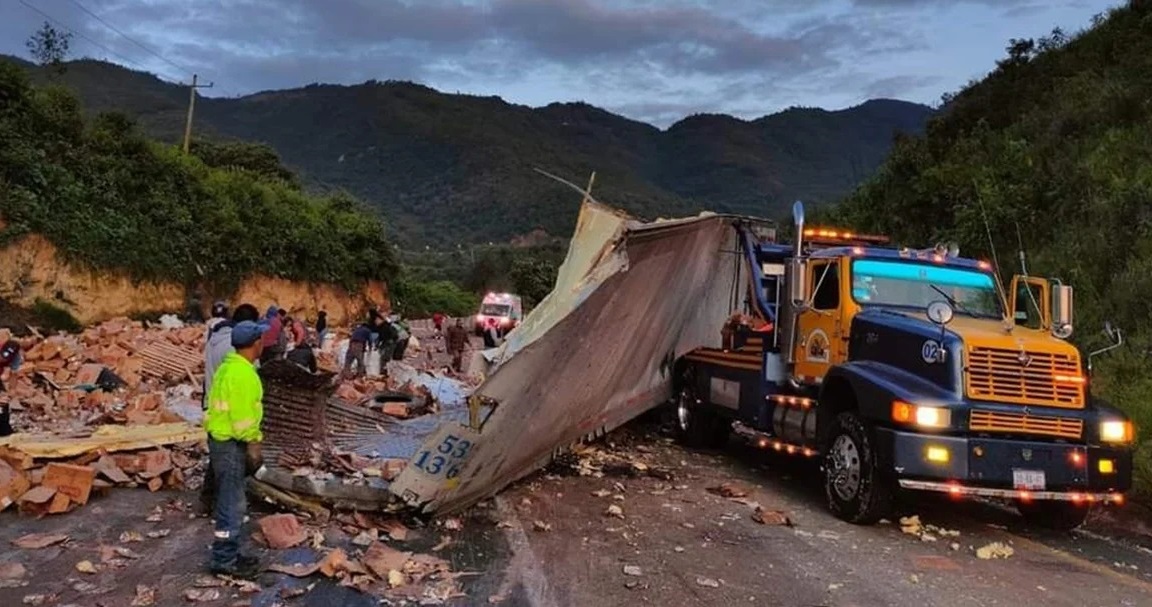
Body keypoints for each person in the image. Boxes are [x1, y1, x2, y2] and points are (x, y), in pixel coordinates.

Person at [204, 320, 268, 578]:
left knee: (228, 500)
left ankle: (228, 553)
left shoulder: (227, 368)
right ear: (255, 344)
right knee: (233, 503)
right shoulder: (244, 375)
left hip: (219, 439)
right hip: (231, 443)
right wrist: (254, 446)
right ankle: (224, 560)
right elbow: (244, 421)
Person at [199, 303, 260, 515]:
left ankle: (207, 501)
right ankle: (224, 517)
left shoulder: (213, 340)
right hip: (229, 412)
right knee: (230, 468)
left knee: (217, 459)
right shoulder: (234, 352)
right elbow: (238, 390)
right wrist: (253, 439)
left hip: (212, 405)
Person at [1, 340, 23, 437]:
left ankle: (4, 431)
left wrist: (12, 389)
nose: (3, 359)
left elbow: (14, 374)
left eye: (7, 358)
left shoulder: (16, 357)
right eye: (2, 356)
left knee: (3, 406)